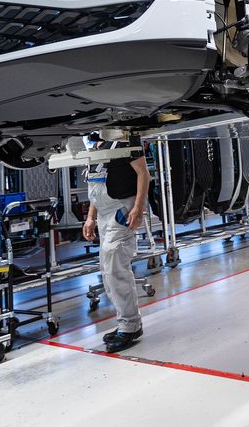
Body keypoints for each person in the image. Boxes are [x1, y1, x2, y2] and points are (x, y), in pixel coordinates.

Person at [82, 137, 151, 353]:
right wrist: (90, 217)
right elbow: (96, 187)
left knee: (115, 266)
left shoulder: (124, 142)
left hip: (122, 208)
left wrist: (138, 208)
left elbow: (143, 174)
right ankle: (127, 323)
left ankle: (129, 326)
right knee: (107, 270)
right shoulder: (95, 150)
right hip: (103, 214)